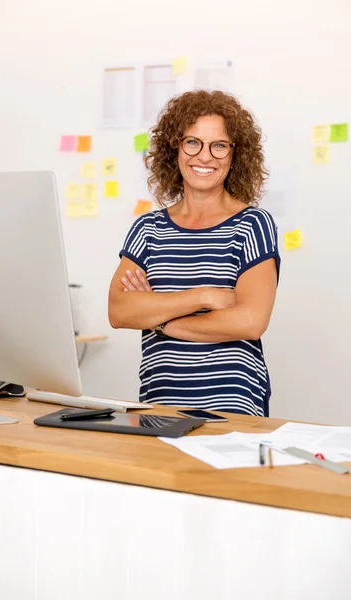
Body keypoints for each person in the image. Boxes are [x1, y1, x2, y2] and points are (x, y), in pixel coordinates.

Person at [108, 90, 280, 417]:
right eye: (192, 142)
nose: (205, 156)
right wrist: (203, 296)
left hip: (231, 406)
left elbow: (250, 321)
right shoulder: (148, 229)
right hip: (158, 404)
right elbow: (120, 311)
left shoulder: (252, 225)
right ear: (175, 148)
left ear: (235, 155)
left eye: (219, 145)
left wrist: (160, 321)